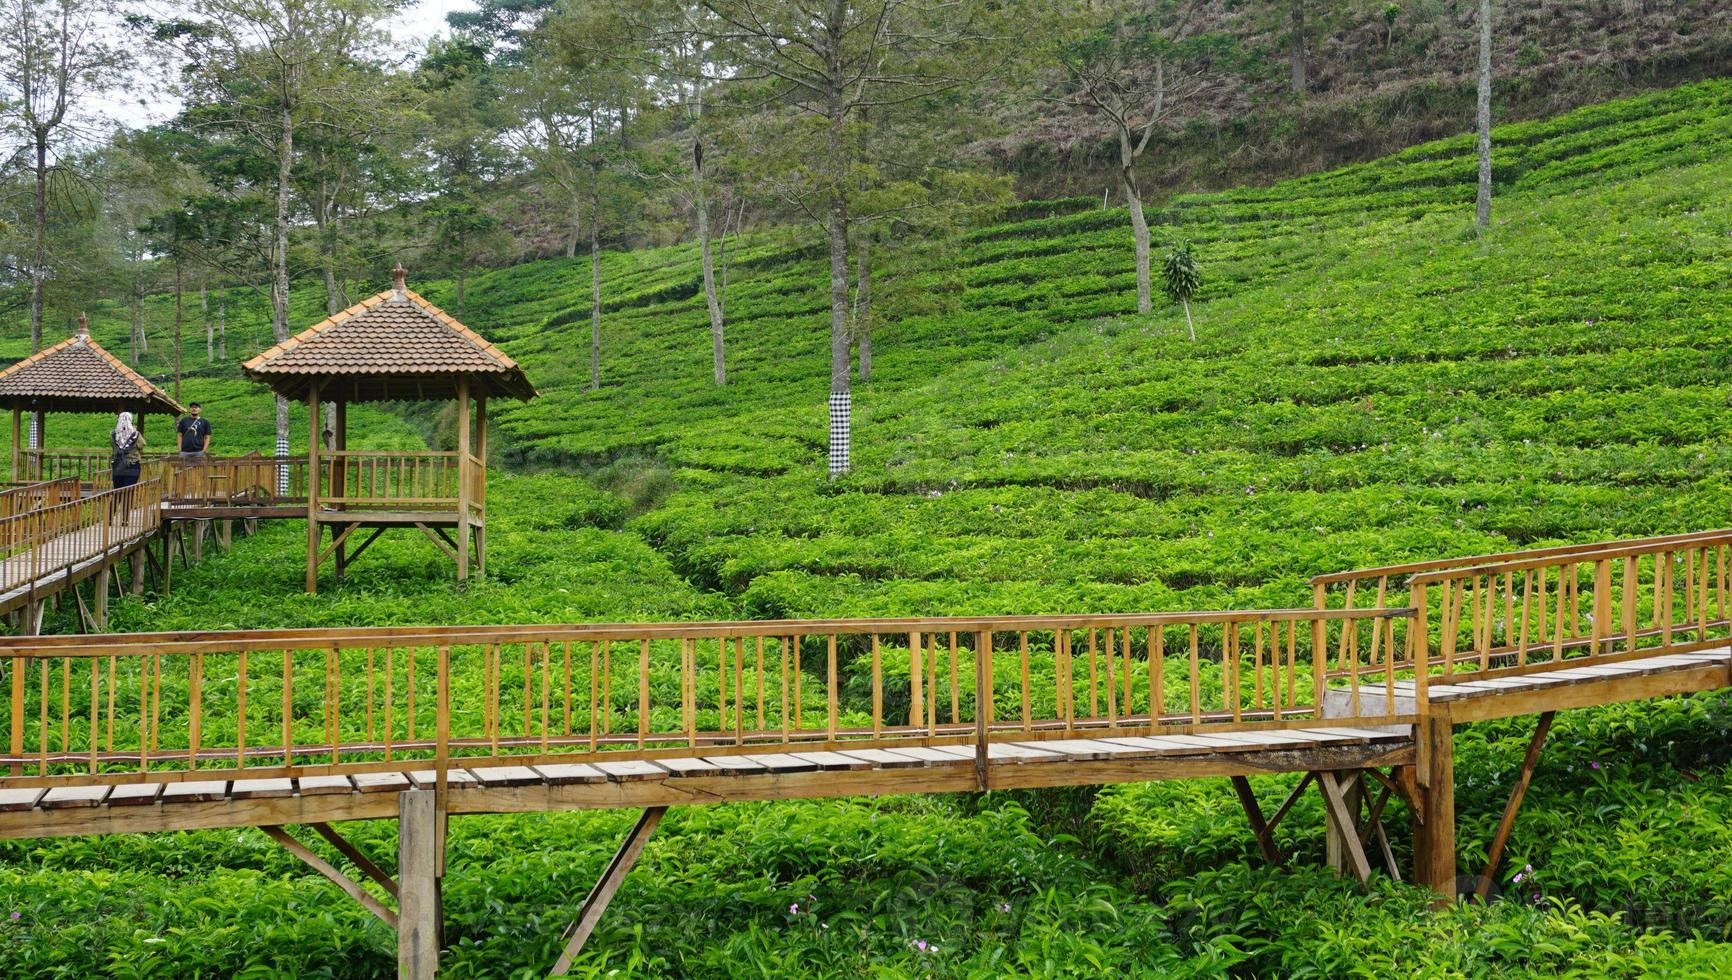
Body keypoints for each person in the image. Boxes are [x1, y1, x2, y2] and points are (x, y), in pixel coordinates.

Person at [110, 412, 144, 488]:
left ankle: (117, 500)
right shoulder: (135, 434)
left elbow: (112, 445)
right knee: (129, 490)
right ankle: (128, 500)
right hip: (132, 464)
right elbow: (142, 445)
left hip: (118, 465)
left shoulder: (113, 434)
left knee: (118, 489)